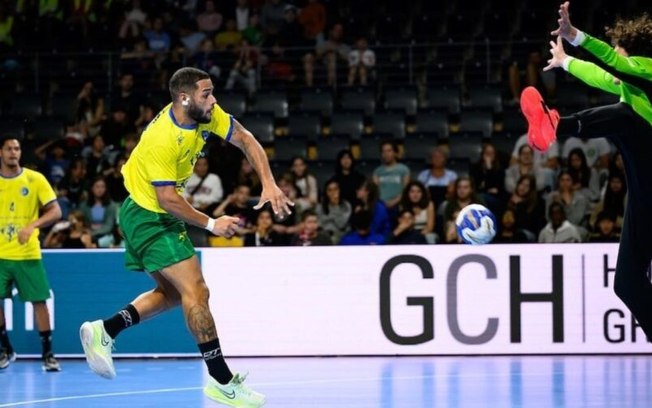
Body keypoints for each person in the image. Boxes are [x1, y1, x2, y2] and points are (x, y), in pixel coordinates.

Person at [79, 67, 293, 407]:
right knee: (197, 291)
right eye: (206, 94)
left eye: (211, 92)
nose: (213, 99)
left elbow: (246, 139)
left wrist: (268, 181)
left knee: (174, 294)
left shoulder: (204, 114)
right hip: (150, 214)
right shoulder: (164, 138)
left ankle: (105, 330)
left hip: (149, 213)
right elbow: (167, 198)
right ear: (183, 97)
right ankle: (222, 381)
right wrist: (211, 224)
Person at [521, 2, 652, 338]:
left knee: (624, 117)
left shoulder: (649, 73)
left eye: (623, 56)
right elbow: (602, 74)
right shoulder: (632, 86)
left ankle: (555, 124)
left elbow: (610, 62)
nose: (618, 62)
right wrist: (566, 61)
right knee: (626, 282)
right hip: (644, 197)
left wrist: (576, 36)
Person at [0, 136, 62, 371]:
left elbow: (56, 211)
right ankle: (5, 348)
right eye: (9, 149)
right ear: (1, 152)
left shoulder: (35, 179)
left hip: (27, 254)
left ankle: (48, 354)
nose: (13, 153)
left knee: (39, 303)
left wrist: (33, 225)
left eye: (16, 149)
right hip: (0, 255)